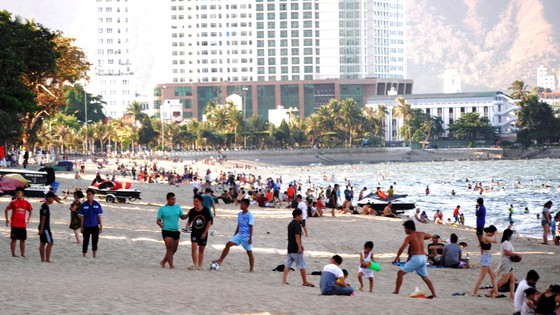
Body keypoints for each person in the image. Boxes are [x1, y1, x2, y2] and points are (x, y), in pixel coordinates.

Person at [392, 220, 437, 298]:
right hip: (423, 258)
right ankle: (434, 294)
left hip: (416, 258)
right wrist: (422, 237)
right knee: (425, 278)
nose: (404, 230)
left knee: (400, 273)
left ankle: (396, 291)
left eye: (405, 229)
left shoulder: (409, 237)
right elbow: (430, 236)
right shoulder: (421, 234)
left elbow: (402, 248)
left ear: (409, 229)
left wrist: (396, 258)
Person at [212, 199, 254, 272]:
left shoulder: (250, 215)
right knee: (228, 244)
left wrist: (250, 238)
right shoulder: (239, 214)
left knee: (249, 252)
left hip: (246, 237)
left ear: (247, 206)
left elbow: (251, 227)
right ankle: (220, 260)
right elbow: (239, 224)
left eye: (242, 204)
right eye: (241, 204)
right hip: (239, 235)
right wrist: (235, 235)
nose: (241, 206)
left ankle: (251, 269)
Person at [281, 209, 314, 287]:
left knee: (288, 265)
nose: (302, 217)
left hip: (290, 248)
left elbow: (291, 236)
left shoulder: (290, 224)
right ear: (297, 216)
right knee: (301, 265)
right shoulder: (297, 225)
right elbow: (297, 236)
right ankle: (305, 281)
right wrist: (299, 247)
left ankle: (283, 280)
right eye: (301, 215)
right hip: (296, 249)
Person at [156, 192, 188, 269]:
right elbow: (158, 220)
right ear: (167, 199)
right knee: (169, 249)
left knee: (174, 249)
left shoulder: (177, 207)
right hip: (166, 230)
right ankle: (171, 265)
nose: (174, 201)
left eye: (174, 199)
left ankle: (163, 261)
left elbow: (182, 217)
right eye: (172, 199)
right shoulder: (162, 209)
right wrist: (161, 225)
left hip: (176, 231)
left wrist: (189, 214)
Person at [185, 194, 212, 270]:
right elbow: (189, 221)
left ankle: (200, 266)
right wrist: (186, 227)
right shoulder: (192, 211)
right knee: (194, 247)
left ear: (200, 202)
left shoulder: (206, 210)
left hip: (203, 233)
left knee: (201, 249)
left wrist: (205, 232)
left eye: (196, 201)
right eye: (194, 201)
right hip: (194, 232)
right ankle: (195, 265)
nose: (195, 203)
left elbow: (209, 222)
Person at [5, 186, 33, 257]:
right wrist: (7, 219)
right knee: (14, 239)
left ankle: (22, 254)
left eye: (18, 193)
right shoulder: (13, 202)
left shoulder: (26, 203)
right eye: (16, 193)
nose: (17, 194)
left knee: (22, 240)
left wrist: (28, 219)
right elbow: (6, 209)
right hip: (14, 224)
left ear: (22, 193)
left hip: (22, 224)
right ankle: (13, 254)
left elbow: (30, 211)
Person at [471, 225, 498, 297]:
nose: (493, 234)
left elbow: (482, 249)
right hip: (486, 257)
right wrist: (495, 234)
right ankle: (474, 292)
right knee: (482, 276)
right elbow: (495, 241)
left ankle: (496, 293)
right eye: (493, 233)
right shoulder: (485, 238)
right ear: (491, 232)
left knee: (493, 276)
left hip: (486, 257)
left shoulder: (484, 237)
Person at [495, 229, 519, 299]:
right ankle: (492, 291)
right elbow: (506, 252)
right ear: (509, 235)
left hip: (509, 263)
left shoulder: (506, 242)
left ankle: (512, 295)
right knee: (504, 281)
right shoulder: (506, 243)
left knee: (512, 280)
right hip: (506, 263)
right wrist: (516, 254)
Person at [80, 188, 103, 258]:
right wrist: (81, 227)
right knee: (85, 241)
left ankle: (94, 256)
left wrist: (101, 226)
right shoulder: (84, 205)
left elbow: (99, 216)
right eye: (87, 194)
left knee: (95, 241)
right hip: (86, 226)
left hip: (95, 226)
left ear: (93, 195)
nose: (88, 196)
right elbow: (82, 217)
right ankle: (84, 255)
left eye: (89, 194)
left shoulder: (97, 204)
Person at [38, 192, 56, 262]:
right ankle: (47, 259)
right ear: (49, 198)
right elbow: (43, 217)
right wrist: (42, 229)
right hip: (45, 228)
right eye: (52, 198)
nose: (53, 200)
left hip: (44, 227)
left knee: (43, 243)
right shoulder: (45, 206)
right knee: (50, 242)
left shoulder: (44, 205)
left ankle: (43, 259)